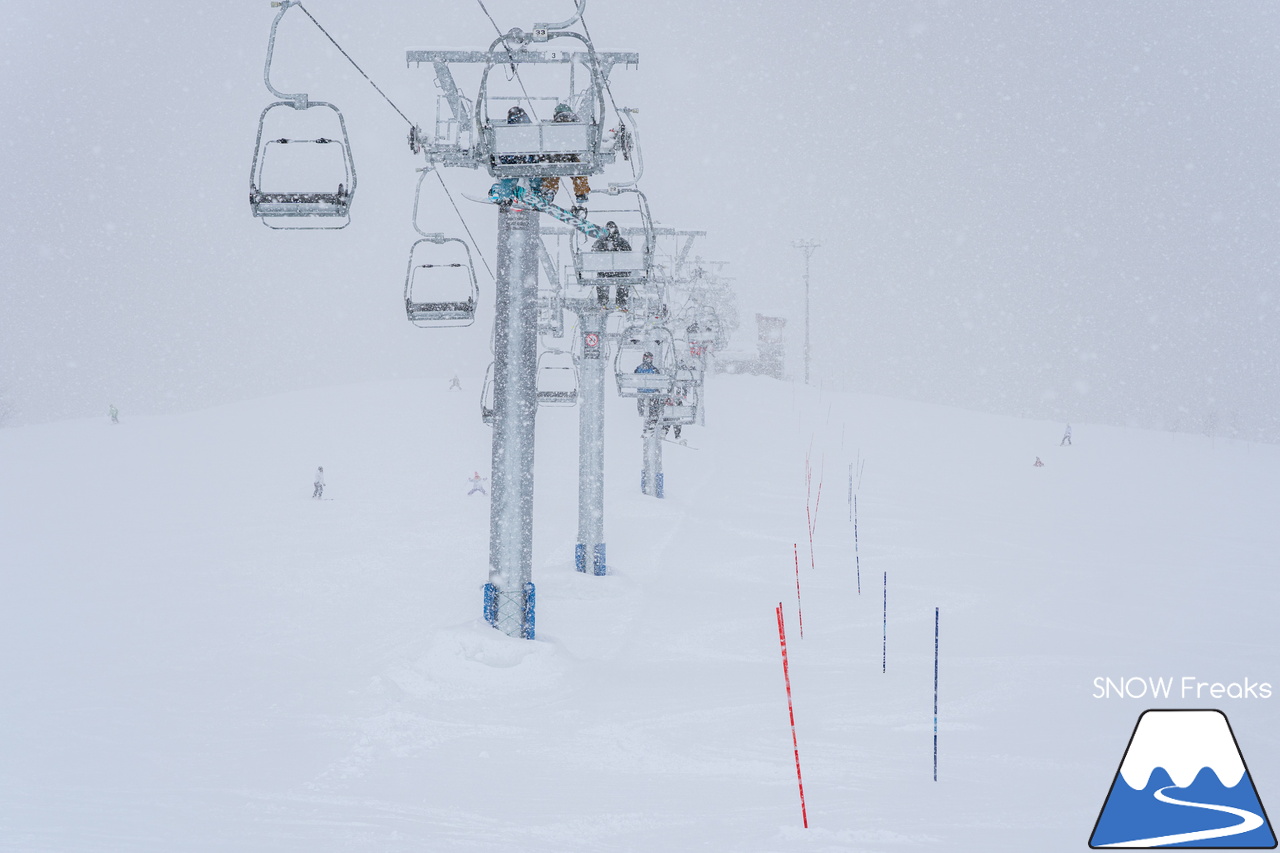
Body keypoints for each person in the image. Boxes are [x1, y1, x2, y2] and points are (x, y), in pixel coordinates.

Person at [538, 103, 591, 214]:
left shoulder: (552, 126)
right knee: (579, 172)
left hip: (554, 156)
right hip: (570, 156)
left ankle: (549, 190)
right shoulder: (576, 125)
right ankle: (581, 193)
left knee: (551, 172)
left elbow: (547, 141)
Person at [592, 221, 632, 310]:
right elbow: (594, 253)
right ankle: (603, 303)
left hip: (618, 270)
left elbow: (629, 255)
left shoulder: (621, 242)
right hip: (606, 270)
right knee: (603, 282)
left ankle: (620, 303)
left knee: (622, 283)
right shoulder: (601, 242)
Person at [634, 352, 662, 421]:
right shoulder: (654, 370)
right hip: (652, 392)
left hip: (641, 392)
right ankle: (654, 414)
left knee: (641, 395)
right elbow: (659, 381)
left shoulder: (638, 369)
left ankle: (641, 411)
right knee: (656, 396)